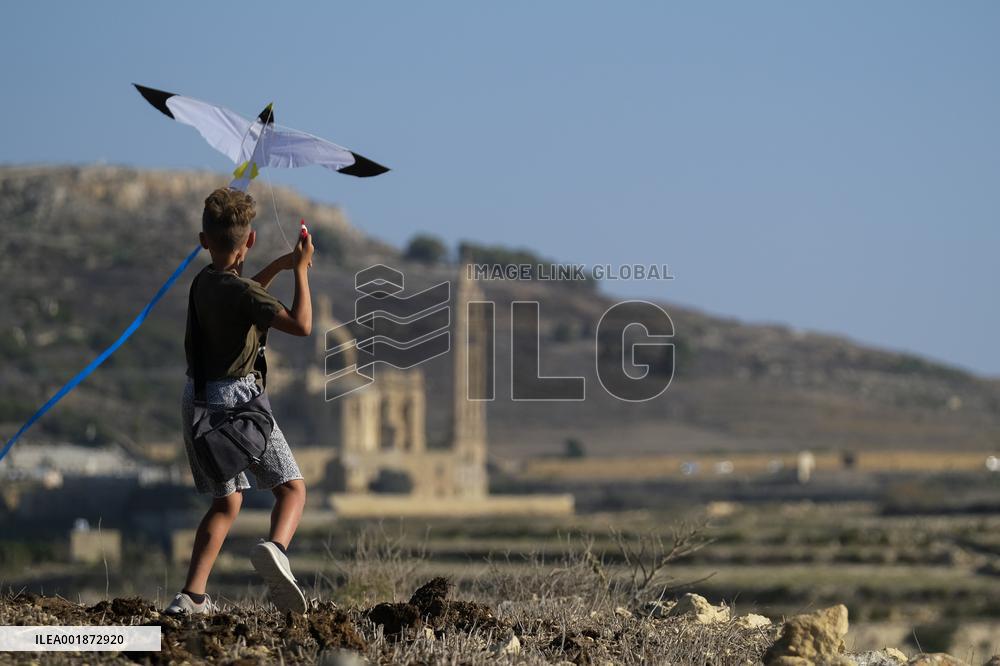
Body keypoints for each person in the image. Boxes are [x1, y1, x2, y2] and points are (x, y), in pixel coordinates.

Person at [164, 187, 314, 616]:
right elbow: (301, 325)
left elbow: (245, 292)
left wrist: (279, 266)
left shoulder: (203, 283)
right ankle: (276, 549)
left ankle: (191, 597)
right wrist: (300, 271)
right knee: (292, 490)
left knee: (227, 502)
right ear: (250, 239)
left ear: (203, 241)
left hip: (196, 400)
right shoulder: (244, 294)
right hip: (239, 403)